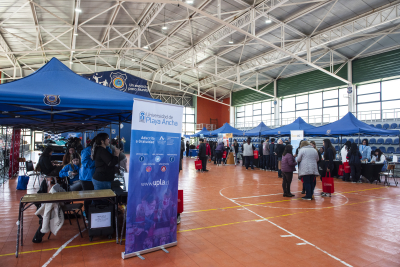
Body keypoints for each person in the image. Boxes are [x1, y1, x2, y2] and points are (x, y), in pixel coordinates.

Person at [80, 137, 96, 219]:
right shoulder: (86, 151)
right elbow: (86, 164)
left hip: (92, 177)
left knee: (94, 196)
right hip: (86, 178)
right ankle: (87, 214)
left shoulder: (95, 150)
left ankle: (91, 213)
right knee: (88, 197)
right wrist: (97, 161)